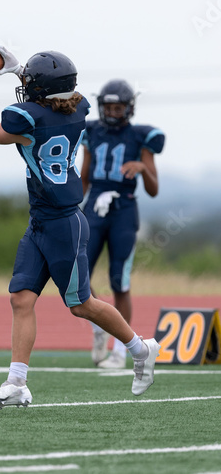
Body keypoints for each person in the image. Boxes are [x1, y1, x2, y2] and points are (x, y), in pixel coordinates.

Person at [0, 46, 161, 411]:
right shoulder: (77, 111)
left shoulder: (30, 119)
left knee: (82, 305)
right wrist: (19, 69)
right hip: (41, 221)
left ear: (40, 92)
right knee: (21, 298)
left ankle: (140, 348)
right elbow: (64, 95)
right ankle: (17, 382)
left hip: (62, 224)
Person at [80, 79, 165, 369]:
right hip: (93, 207)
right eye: (109, 107)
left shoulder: (141, 137)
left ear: (129, 108)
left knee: (120, 280)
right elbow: (84, 177)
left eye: (119, 107)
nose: (114, 112)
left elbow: (153, 189)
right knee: (78, 275)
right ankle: (99, 327)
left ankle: (120, 348)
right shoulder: (91, 131)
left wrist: (143, 167)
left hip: (124, 209)